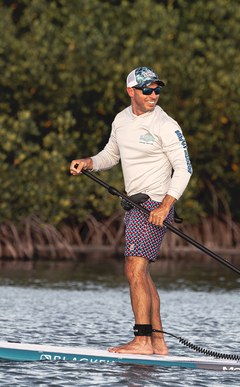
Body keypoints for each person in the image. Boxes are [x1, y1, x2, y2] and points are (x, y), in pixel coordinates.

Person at [70, 67, 192, 355]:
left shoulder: (166, 124)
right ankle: (158, 344)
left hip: (154, 207)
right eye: (147, 90)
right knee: (142, 275)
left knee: (134, 269)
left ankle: (142, 340)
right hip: (136, 206)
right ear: (131, 92)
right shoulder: (121, 120)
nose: (153, 95)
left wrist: (165, 206)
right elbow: (111, 154)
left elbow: (185, 169)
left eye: (157, 90)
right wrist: (88, 162)